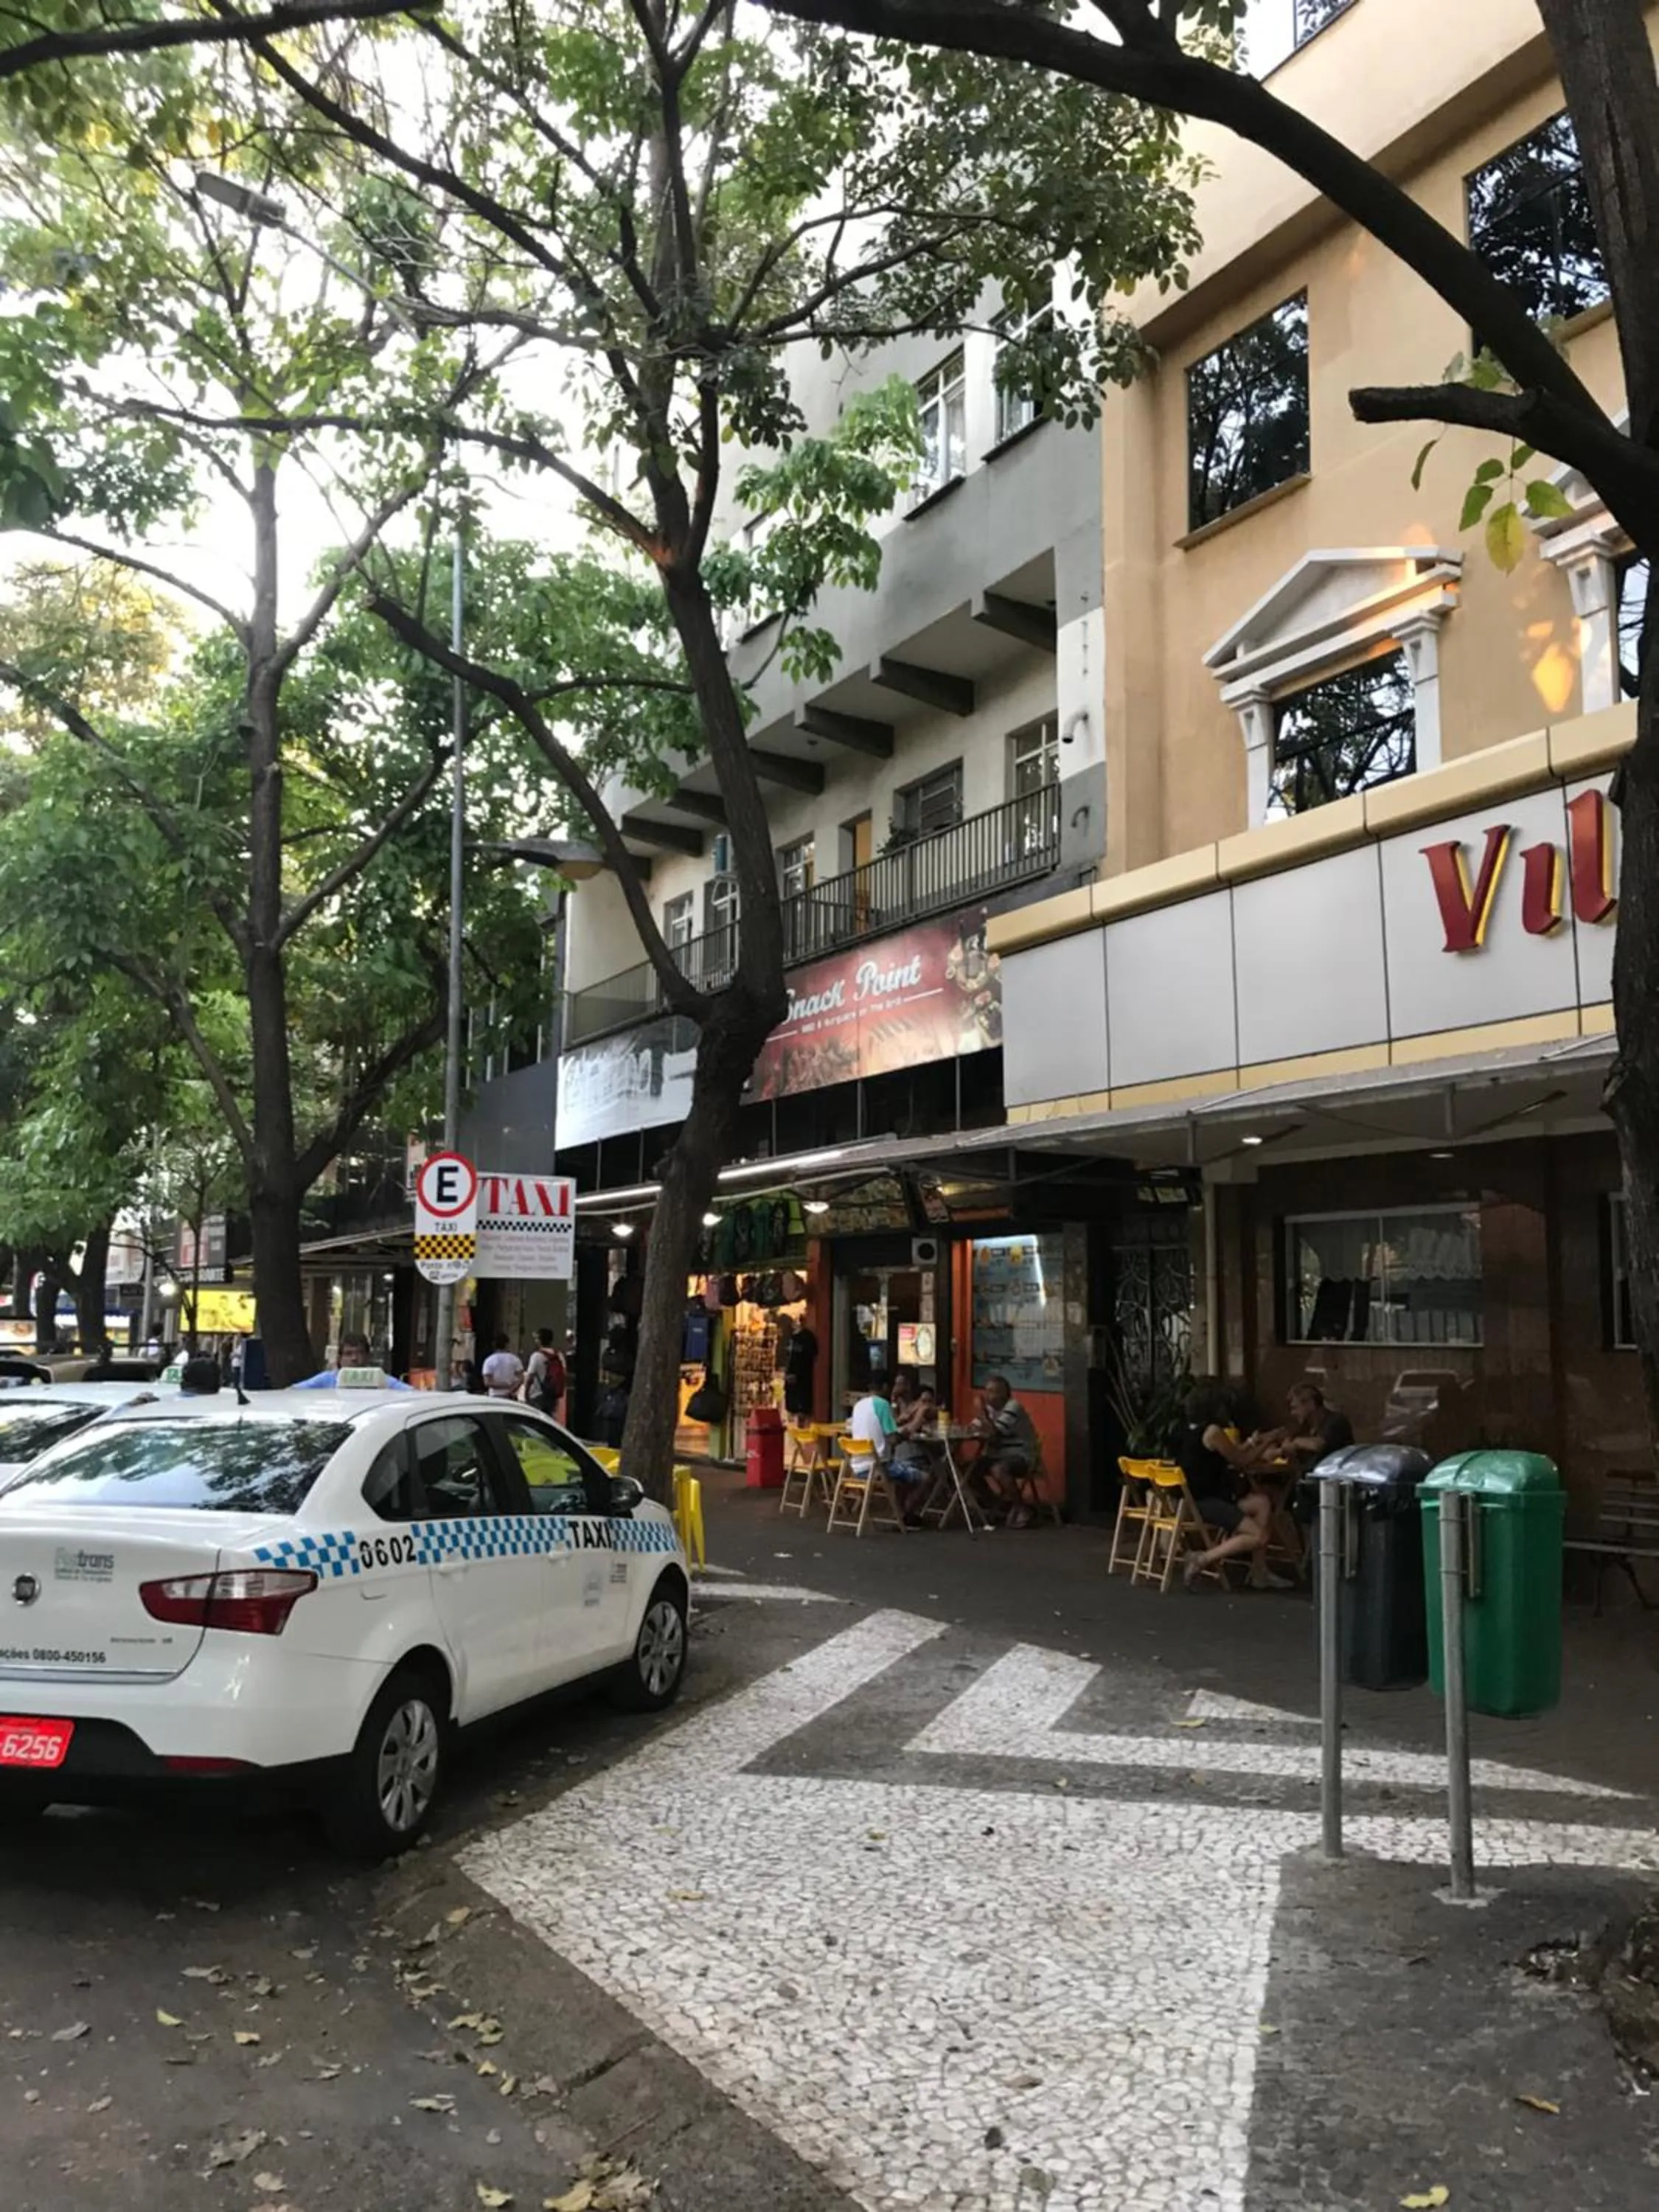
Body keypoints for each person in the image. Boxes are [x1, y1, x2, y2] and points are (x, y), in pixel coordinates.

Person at [1178, 1381, 1290, 1590]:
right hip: (1208, 1502)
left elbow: (1231, 1452)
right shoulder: (1213, 1431)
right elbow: (1241, 1461)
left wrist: (1253, 1442)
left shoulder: (1189, 1430)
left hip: (1192, 1499)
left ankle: (1259, 1572)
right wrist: (1270, 1441)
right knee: (1260, 1536)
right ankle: (1202, 1559)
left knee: (1262, 1503)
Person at [969, 1374, 1042, 1523]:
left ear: (1006, 1394)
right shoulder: (989, 1410)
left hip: (1021, 1456)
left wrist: (982, 1413)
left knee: (999, 1469)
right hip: (997, 1455)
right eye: (988, 1391)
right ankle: (997, 1505)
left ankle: (1022, 1509)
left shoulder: (1013, 1407)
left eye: (995, 1392)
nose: (990, 1396)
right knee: (967, 1470)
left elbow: (993, 1432)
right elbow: (973, 1428)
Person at [293, 1331, 413, 1391]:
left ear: (368, 1356)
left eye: (359, 1353)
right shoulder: (327, 1379)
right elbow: (293, 1392)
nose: (354, 1358)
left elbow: (411, 1393)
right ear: (340, 1358)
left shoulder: (379, 1379)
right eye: (348, 1354)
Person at [1279, 1380, 1355, 1473]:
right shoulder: (1306, 1427)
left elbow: (1318, 1445)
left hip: (1335, 1476)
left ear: (1310, 1404)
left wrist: (1295, 1442)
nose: (1293, 1413)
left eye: (1295, 1408)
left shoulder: (1336, 1421)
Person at [524, 1327, 567, 1419]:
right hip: (552, 1395)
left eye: (536, 1338)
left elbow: (530, 1377)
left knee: (536, 1420)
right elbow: (564, 1372)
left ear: (539, 1341)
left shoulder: (536, 1356)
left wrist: (526, 1394)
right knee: (549, 1418)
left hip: (537, 1395)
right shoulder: (559, 1355)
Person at [481, 1332, 525, 1399]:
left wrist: (503, 1385)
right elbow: (521, 1378)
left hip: (494, 1395)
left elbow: (487, 1382)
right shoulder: (515, 1359)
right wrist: (512, 1388)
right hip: (511, 1395)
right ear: (507, 1344)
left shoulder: (489, 1360)